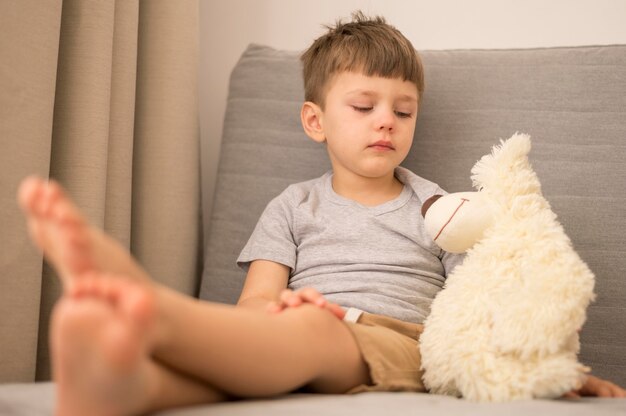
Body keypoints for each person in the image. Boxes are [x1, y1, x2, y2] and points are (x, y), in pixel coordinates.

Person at [17, 11, 625, 416]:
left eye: (403, 110)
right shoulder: (292, 206)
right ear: (316, 121)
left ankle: (152, 309)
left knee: (309, 335)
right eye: (363, 105)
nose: (386, 120)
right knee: (274, 349)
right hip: (302, 330)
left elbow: (484, 297)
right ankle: (132, 386)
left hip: (404, 344)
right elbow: (254, 304)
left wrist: (544, 367)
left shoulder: (437, 205)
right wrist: (281, 307)